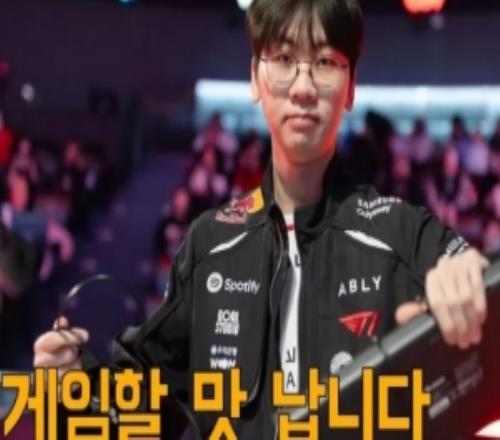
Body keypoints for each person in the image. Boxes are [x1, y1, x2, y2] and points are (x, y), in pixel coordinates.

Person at [33, 0, 489, 437]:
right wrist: (76, 388)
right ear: (255, 77)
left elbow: (484, 307)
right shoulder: (211, 243)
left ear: (350, 87)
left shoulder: (402, 235)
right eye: (285, 59)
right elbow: (142, 414)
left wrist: (475, 286)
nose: (304, 87)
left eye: (325, 62)